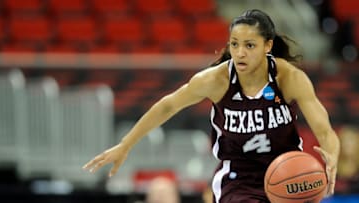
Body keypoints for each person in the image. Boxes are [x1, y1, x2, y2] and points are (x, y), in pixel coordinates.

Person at [82, 9, 340, 203]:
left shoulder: (288, 78)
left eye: (250, 45)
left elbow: (324, 130)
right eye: (235, 44)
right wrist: (126, 145)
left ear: (268, 46)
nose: (240, 53)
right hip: (238, 180)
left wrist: (332, 157)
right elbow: (167, 106)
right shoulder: (216, 80)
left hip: (288, 172)